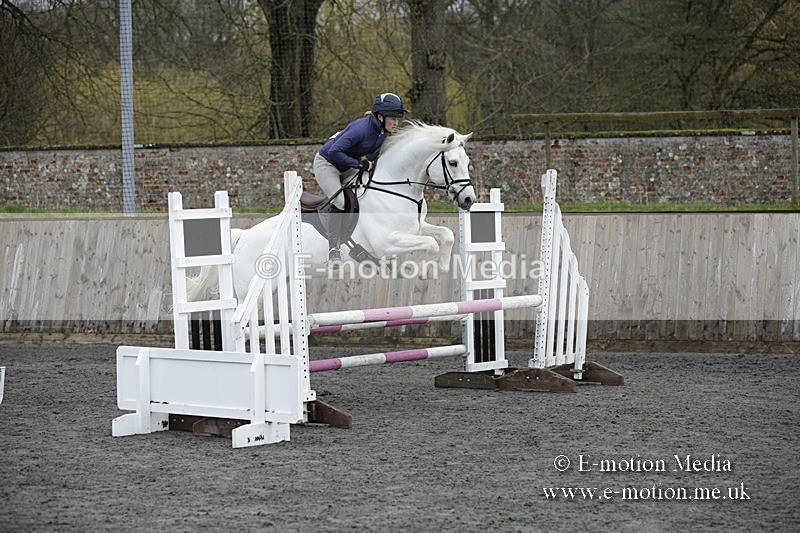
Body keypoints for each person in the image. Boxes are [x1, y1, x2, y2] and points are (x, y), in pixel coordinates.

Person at [313, 93, 410, 263]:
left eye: (398, 118)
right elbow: (334, 151)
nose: (396, 123)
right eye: (393, 118)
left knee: (365, 195)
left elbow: (372, 155)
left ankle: (365, 241)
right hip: (327, 164)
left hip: (347, 165)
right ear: (380, 116)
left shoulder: (382, 132)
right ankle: (333, 250)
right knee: (340, 202)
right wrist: (358, 164)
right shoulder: (361, 129)